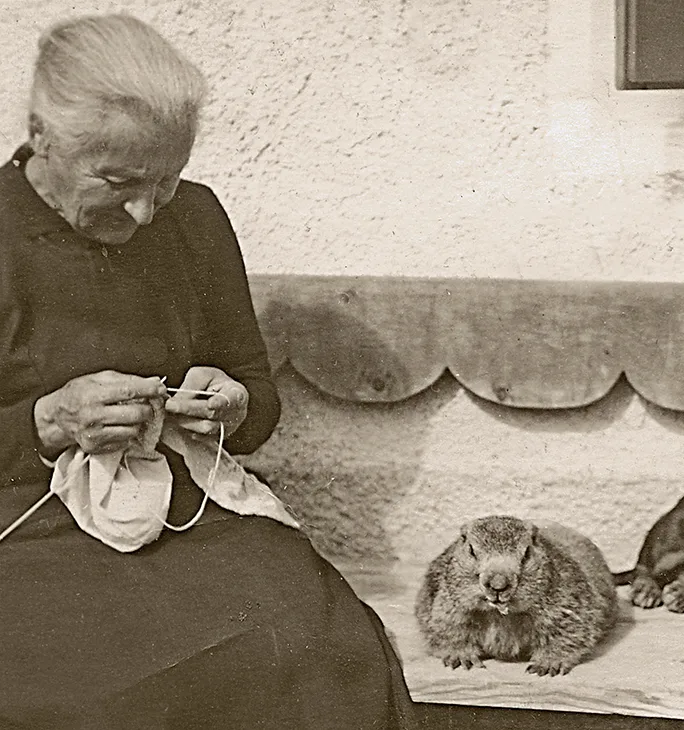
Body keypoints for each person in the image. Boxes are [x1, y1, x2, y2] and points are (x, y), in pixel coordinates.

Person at [0, 14, 414, 730]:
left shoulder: (193, 219)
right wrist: (49, 422)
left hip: (190, 514)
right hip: (26, 529)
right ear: (43, 136)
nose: (144, 209)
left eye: (166, 180)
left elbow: (255, 398)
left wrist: (233, 403)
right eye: (119, 179)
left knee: (322, 649)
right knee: (89, 699)